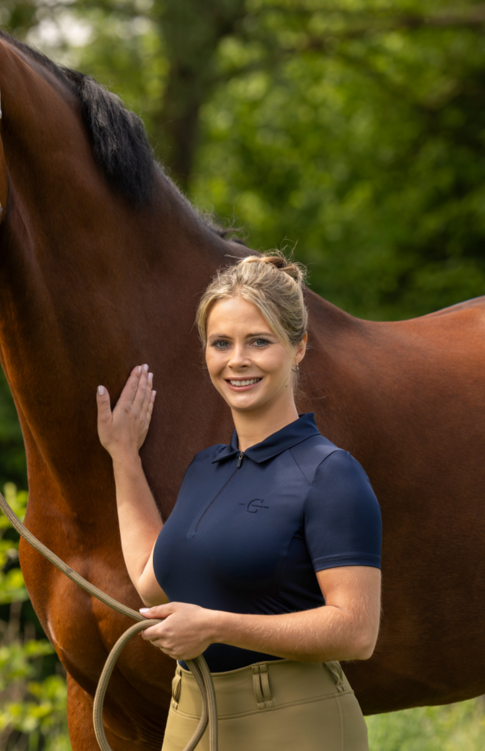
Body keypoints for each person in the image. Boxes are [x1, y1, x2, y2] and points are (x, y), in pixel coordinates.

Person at [95, 253, 381, 750]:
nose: (237, 360)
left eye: (259, 342)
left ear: (298, 348)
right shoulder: (206, 469)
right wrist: (123, 456)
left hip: (295, 723)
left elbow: (356, 631)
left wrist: (215, 627)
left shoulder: (330, 473)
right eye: (221, 343)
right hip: (191, 719)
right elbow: (149, 576)